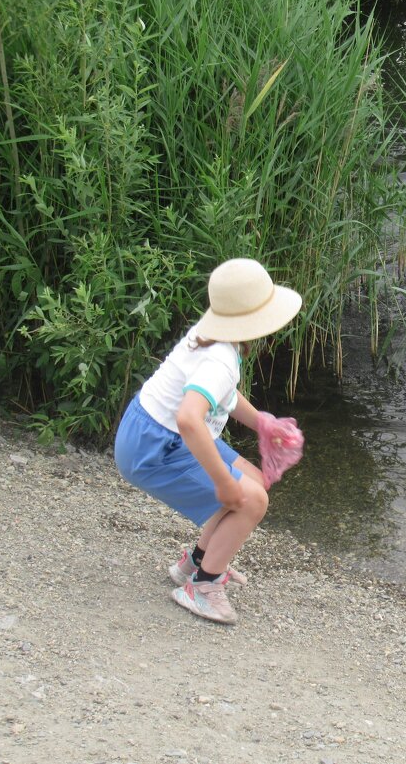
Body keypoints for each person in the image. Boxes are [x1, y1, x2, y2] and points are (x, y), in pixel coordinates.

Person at [114, 258, 302, 625]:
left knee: (251, 479)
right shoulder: (221, 358)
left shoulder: (213, 336)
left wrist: (262, 422)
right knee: (250, 500)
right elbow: (188, 419)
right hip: (153, 447)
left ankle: (196, 563)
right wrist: (221, 482)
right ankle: (203, 587)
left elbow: (221, 396)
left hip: (150, 428)